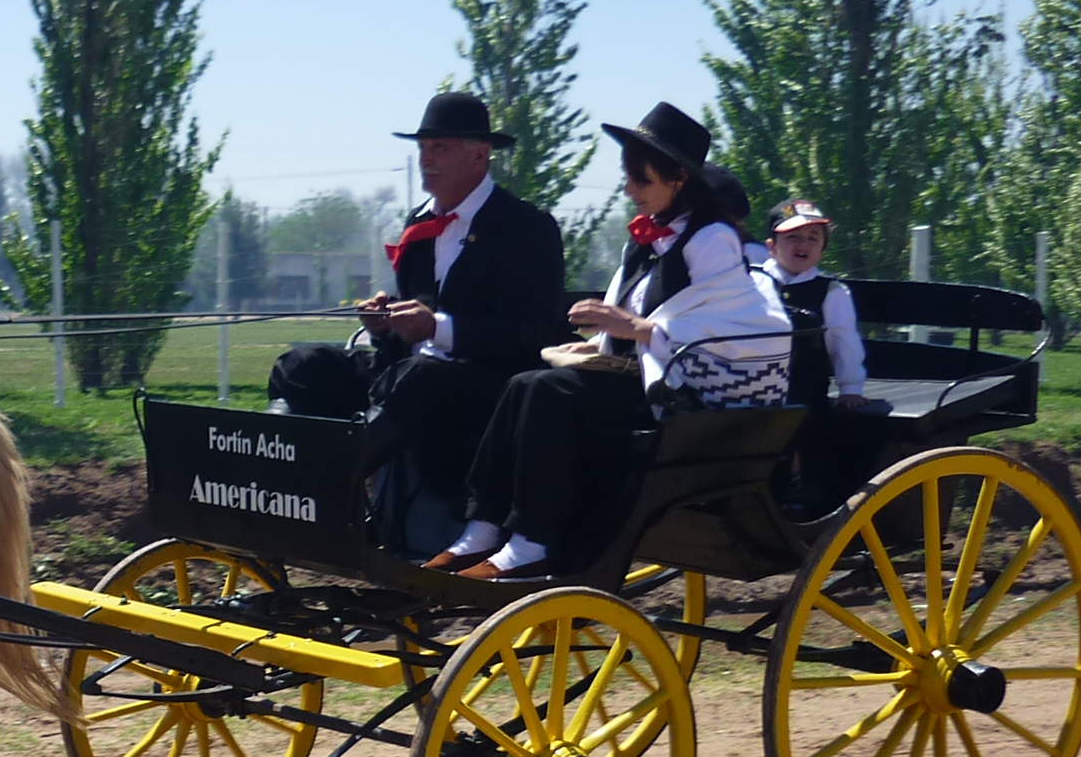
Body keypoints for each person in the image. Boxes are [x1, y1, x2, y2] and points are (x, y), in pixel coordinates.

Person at [432, 102, 790, 580]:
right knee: (523, 383)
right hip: (636, 378)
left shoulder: (710, 240)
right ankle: (482, 526)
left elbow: (731, 325)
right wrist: (601, 344)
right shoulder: (645, 242)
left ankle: (531, 540)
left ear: (678, 181)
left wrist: (631, 329)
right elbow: (639, 319)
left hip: (682, 396)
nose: (629, 191)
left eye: (641, 180)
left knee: (546, 391)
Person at [266, 92, 566, 516]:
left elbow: (530, 329)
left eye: (439, 147)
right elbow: (416, 319)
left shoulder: (526, 227)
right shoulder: (420, 223)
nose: (426, 159)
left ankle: (319, 489)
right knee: (301, 364)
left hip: (485, 392)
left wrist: (437, 328)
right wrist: (385, 324)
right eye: (423, 148)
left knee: (420, 378)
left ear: (480, 154)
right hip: (408, 379)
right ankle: (264, 474)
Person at [756, 198, 867, 409]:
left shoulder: (831, 291)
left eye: (813, 238)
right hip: (753, 391)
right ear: (771, 247)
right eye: (793, 237)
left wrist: (850, 388)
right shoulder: (753, 282)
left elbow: (844, 340)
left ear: (823, 248)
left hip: (805, 395)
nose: (803, 244)